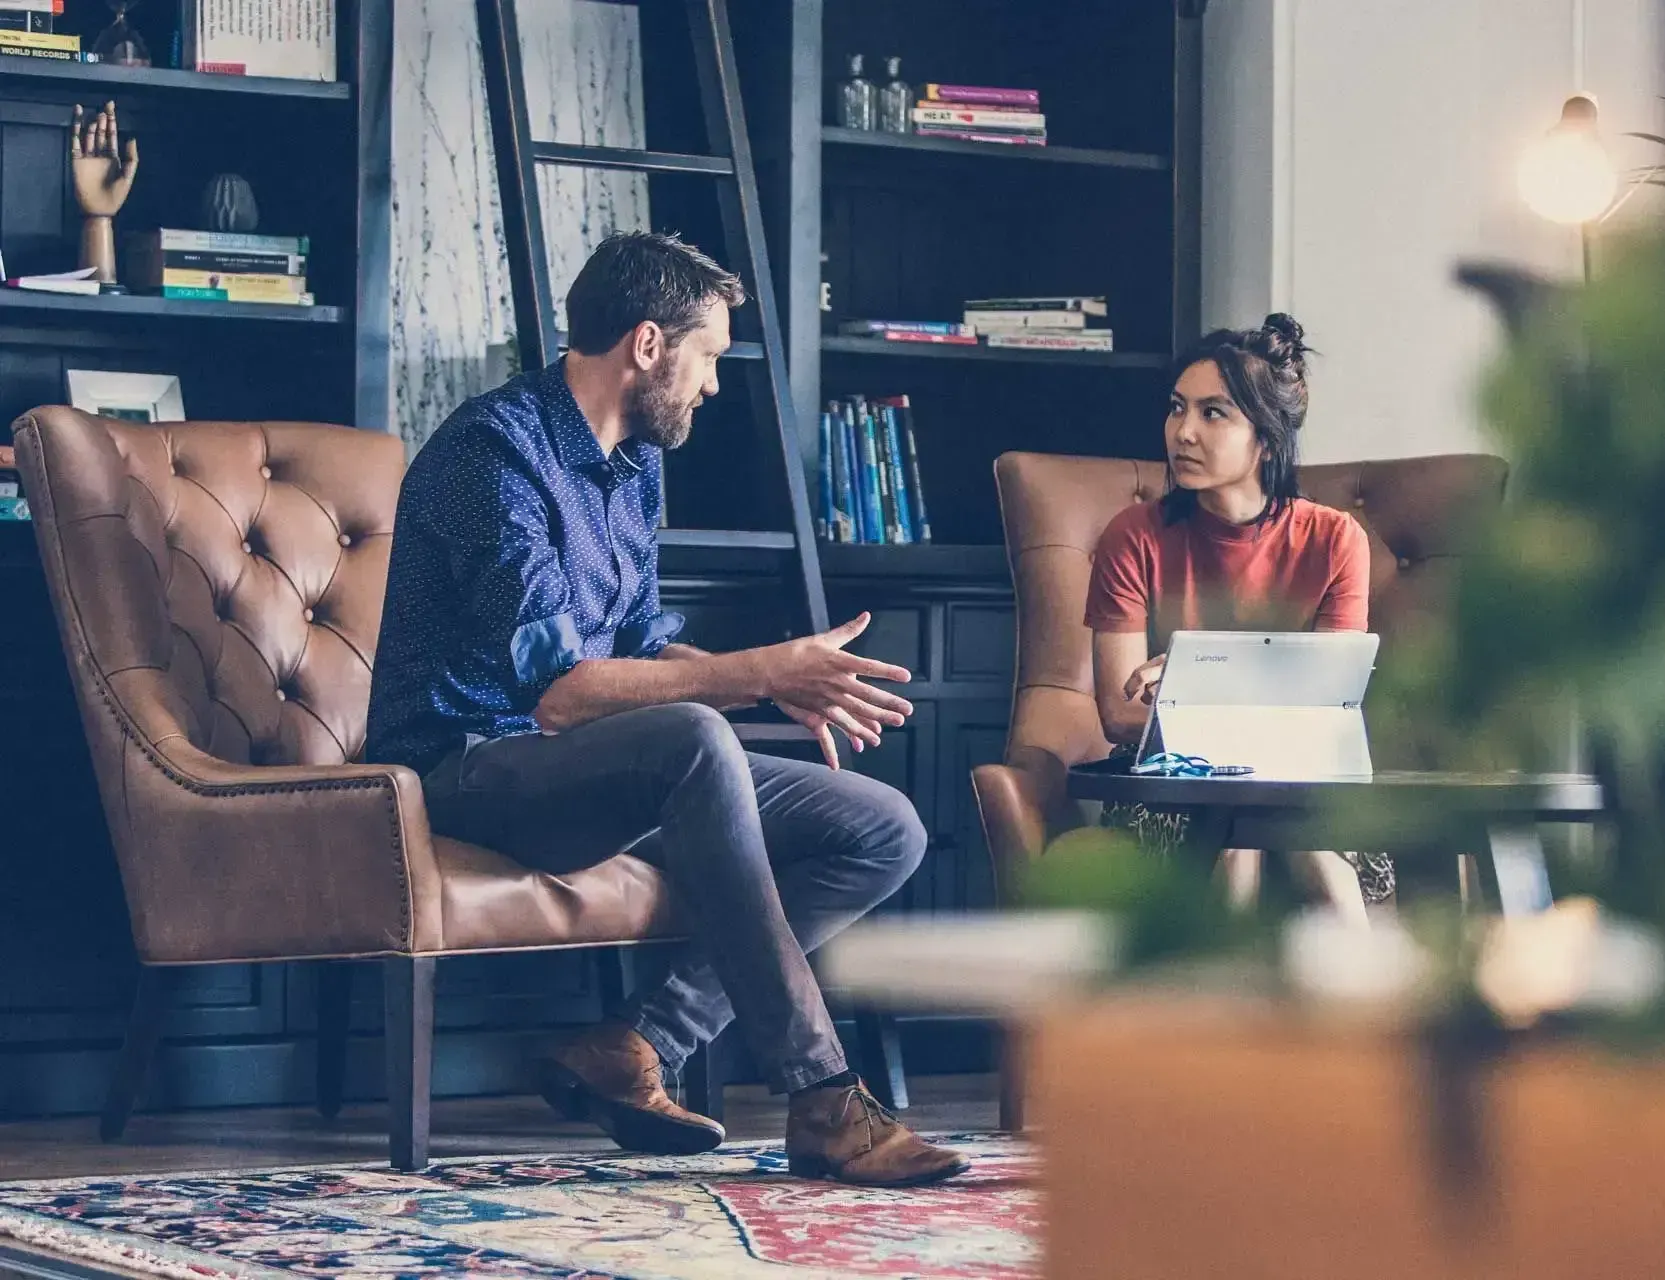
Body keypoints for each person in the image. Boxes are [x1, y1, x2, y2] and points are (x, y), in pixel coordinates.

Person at [366, 230, 966, 1187]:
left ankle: (637, 1044)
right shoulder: (490, 457)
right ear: (649, 344)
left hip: (600, 759)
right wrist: (757, 672)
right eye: (711, 357)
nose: (713, 386)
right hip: (467, 765)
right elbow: (559, 693)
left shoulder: (634, 462)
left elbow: (639, 652)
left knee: (882, 827)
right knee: (695, 733)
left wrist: (774, 678)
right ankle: (821, 1096)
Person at [1083, 313, 1395, 914]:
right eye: (1177, 408)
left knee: (1309, 847)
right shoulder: (1133, 536)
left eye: (1213, 413)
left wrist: (1193, 678)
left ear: (1268, 440)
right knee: (1237, 839)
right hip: (1166, 783)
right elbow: (1121, 718)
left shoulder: (1335, 539)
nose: (1183, 432)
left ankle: (1366, 1006)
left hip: (1301, 782)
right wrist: (1257, 702)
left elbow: (1329, 705)